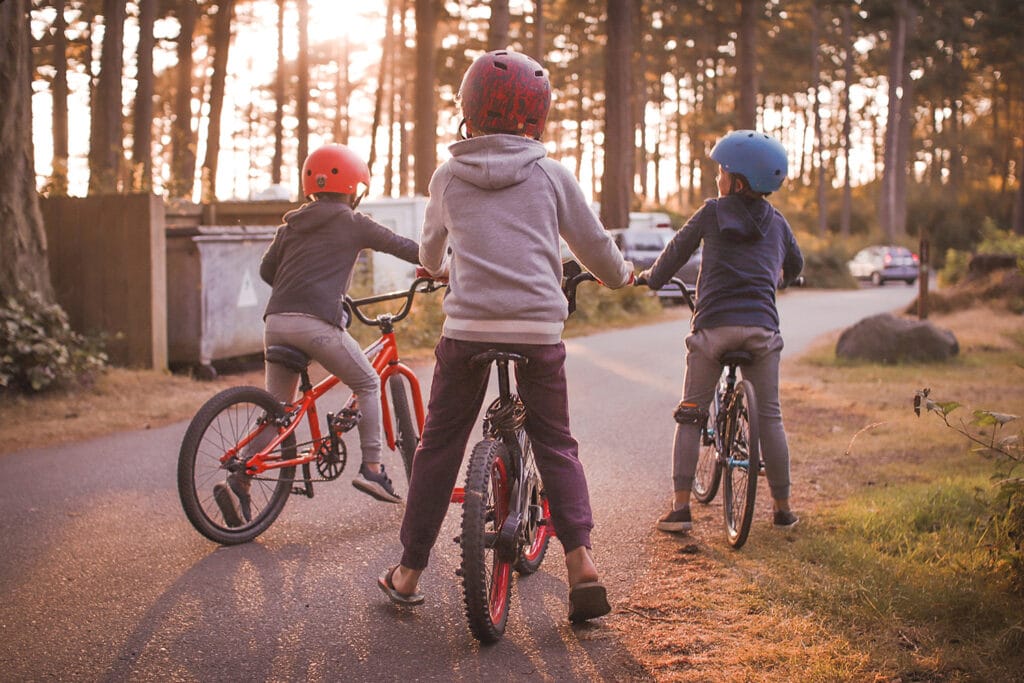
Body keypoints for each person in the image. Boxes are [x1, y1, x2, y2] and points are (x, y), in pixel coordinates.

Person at [376, 50, 633, 623]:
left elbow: (429, 253)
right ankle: (581, 565)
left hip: (467, 331)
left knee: (438, 446)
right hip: (539, 329)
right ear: (536, 117)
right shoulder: (551, 173)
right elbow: (595, 247)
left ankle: (409, 571)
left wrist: (441, 267)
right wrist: (620, 276)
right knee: (556, 442)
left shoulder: (447, 175)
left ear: (468, 110)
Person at [213, 143, 421, 526]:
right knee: (369, 381)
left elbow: (266, 272)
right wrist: (439, 264)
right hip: (315, 323)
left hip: (276, 321)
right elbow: (401, 246)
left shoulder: (290, 225)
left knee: (278, 410)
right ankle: (373, 469)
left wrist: (305, 284)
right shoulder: (353, 222)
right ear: (355, 186)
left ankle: (241, 477)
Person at [637, 130, 804, 534]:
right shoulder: (778, 222)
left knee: (690, 414)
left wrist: (651, 279)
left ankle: (680, 509)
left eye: (723, 171)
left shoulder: (712, 212)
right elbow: (795, 265)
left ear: (738, 181)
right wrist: (783, 279)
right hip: (762, 332)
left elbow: (676, 251)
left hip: (713, 331)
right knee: (771, 418)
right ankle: (782, 510)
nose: (718, 177)